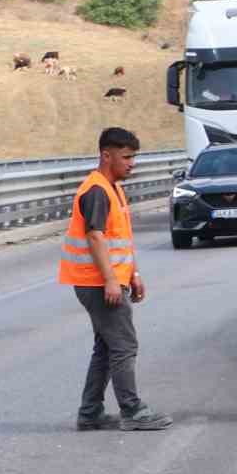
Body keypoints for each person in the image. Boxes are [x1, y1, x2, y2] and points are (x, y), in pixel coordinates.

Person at [59, 127, 173, 431]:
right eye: (126, 157)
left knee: (107, 347)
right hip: (97, 283)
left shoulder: (112, 188)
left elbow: (118, 238)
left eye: (133, 157)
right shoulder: (96, 190)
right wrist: (111, 281)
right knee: (123, 345)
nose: (132, 163)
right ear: (106, 155)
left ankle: (90, 413)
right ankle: (132, 410)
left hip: (106, 280)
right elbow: (95, 237)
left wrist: (132, 274)